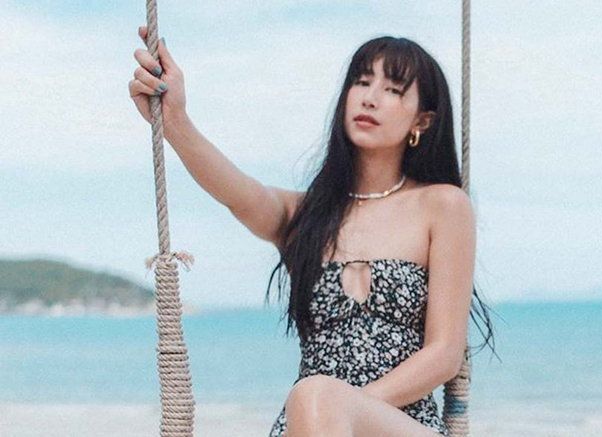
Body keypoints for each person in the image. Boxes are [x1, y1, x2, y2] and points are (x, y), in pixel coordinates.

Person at [130, 25, 496, 437]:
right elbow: (238, 193)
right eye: (361, 82)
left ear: (422, 121)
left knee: (315, 395)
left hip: (402, 424)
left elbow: (444, 354)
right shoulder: (306, 216)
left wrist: (342, 407)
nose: (370, 97)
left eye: (393, 90)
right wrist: (175, 122)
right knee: (314, 397)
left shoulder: (443, 206)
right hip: (312, 423)